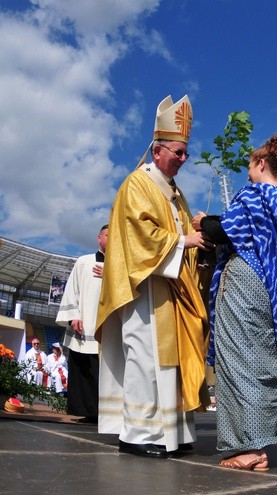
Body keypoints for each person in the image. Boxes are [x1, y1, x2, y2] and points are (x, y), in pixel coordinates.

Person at [96, 95, 210, 459]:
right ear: (157, 149)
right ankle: (138, 434)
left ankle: (171, 434)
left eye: (185, 154)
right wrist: (184, 240)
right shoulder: (138, 184)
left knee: (171, 363)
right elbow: (137, 235)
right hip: (144, 288)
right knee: (145, 360)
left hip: (171, 286)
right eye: (177, 152)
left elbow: (184, 239)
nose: (182, 160)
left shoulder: (176, 194)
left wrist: (198, 242)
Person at [199, 135, 277, 471]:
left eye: (251, 167)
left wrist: (202, 222)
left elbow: (224, 230)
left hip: (244, 280)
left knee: (239, 362)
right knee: (260, 361)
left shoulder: (256, 194)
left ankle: (248, 448)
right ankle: (258, 447)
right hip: (271, 286)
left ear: (262, 164)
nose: (247, 174)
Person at [55, 224, 108, 422]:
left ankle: (108, 413)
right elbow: (72, 290)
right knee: (85, 371)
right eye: (107, 235)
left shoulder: (122, 265)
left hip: (110, 329)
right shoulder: (84, 262)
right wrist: (73, 316)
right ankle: (88, 411)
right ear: (99, 238)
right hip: (85, 325)